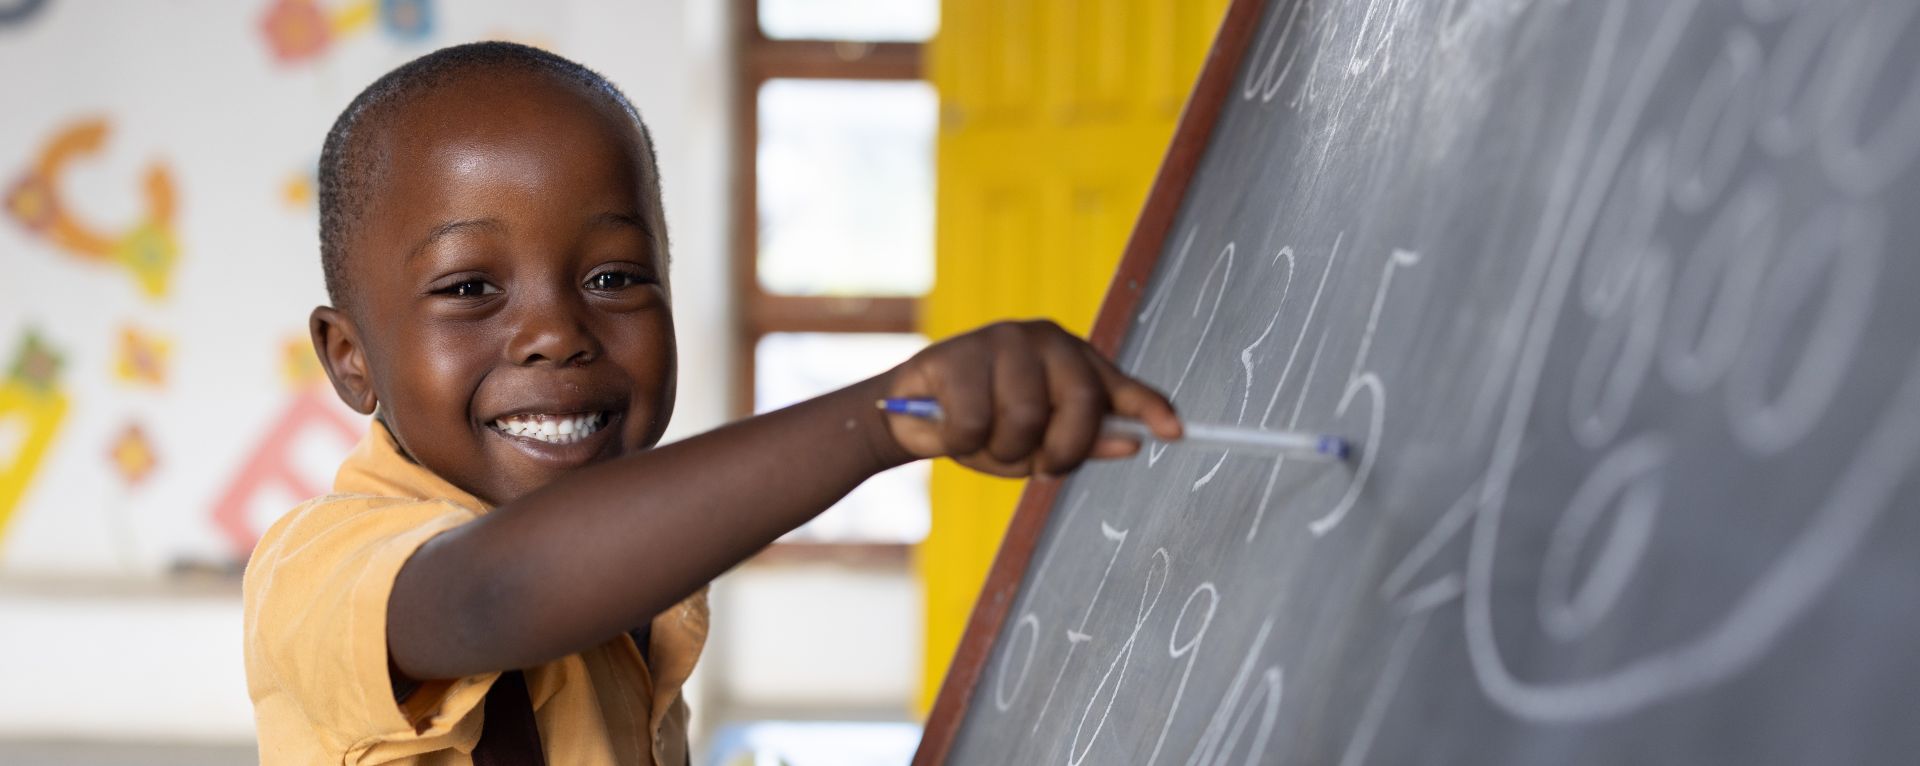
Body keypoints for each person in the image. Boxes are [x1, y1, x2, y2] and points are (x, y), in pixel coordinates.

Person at [241, 41, 1182, 765]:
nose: (557, 333)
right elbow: (499, 592)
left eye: (614, 276)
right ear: (350, 359)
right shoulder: (318, 566)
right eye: (468, 289)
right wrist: (882, 419)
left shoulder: (635, 596)